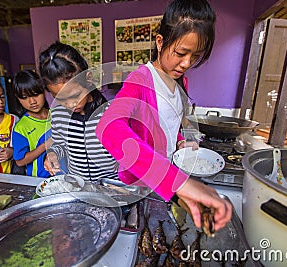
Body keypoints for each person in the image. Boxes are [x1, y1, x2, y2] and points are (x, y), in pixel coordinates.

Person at [95, 0, 232, 231]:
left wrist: (179, 141)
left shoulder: (181, 81)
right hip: (142, 184)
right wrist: (176, 181)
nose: (186, 63)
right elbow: (108, 127)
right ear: (160, 42)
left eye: (195, 56)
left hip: (167, 181)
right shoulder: (140, 80)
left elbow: (167, 123)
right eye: (180, 53)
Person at [38, 41, 118, 182]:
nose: (70, 104)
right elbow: (59, 144)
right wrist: (52, 154)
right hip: (80, 186)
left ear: (87, 79)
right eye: (60, 98)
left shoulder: (111, 111)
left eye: (75, 95)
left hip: (113, 186)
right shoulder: (58, 114)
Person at [11, 70, 52, 178]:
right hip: (40, 180)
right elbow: (20, 161)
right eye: (24, 97)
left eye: (35, 94)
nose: (32, 101)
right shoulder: (21, 127)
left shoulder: (57, 116)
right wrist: (45, 146)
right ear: (18, 99)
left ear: (43, 91)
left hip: (65, 175)